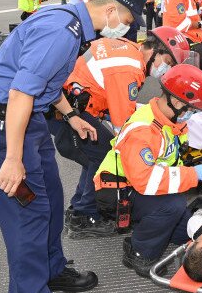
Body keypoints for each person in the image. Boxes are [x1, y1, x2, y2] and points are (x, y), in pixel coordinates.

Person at [0, 0, 146, 293]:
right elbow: (21, 91)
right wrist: (12, 158)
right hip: (4, 119)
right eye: (128, 20)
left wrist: (71, 116)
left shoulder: (74, 27)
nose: (127, 28)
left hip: (29, 115)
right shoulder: (61, 33)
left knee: (50, 195)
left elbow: (46, 83)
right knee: (28, 213)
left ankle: (51, 269)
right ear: (110, 12)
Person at [53, 27, 190, 239]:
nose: (166, 69)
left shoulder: (127, 48)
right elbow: (124, 127)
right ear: (154, 49)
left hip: (69, 105)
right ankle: (85, 216)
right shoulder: (129, 68)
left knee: (93, 154)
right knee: (103, 155)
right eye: (168, 62)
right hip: (69, 113)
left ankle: (79, 208)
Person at [93, 64, 202, 277]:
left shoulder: (167, 120)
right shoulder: (144, 130)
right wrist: (192, 175)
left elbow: (168, 162)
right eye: (191, 109)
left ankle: (161, 228)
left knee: (185, 232)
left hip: (133, 184)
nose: (191, 115)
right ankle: (139, 251)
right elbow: (146, 180)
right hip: (116, 190)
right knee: (172, 205)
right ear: (177, 102)